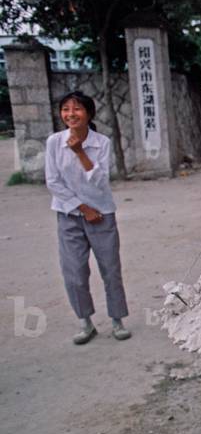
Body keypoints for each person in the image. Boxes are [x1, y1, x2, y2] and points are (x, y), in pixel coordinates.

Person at [44, 90, 131, 345]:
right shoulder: (54, 142)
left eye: (77, 109)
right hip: (68, 215)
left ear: (89, 113)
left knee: (110, 270)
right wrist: (82, 208)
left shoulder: (101, 143)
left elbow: (101, 181)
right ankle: (86, 322)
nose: (71, 114)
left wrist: (81, 152)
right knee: (74, 272)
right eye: (66, 109)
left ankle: (117, 320)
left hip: (102, 215)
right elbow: (53, 182)